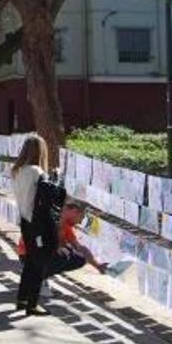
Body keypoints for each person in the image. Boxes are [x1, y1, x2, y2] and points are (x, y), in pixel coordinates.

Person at [12, 135, 65, 316]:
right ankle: (32, 304)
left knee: (30, 262)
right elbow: (52, 197)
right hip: (39, 224)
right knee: (38, 264)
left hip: (25, 222)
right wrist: (57, 179)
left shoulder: (17, 170)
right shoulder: (37, 172)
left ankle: (22, 298)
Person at [49, 203, 108, 276]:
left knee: (79, 259)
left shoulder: (67, 227)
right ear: (75, 211)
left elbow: (79, 247)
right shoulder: (56, 211)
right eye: (81, 218)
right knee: (64, 254)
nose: (79, 223)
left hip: (48, 251)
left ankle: (44, 274)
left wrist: (97, 265)